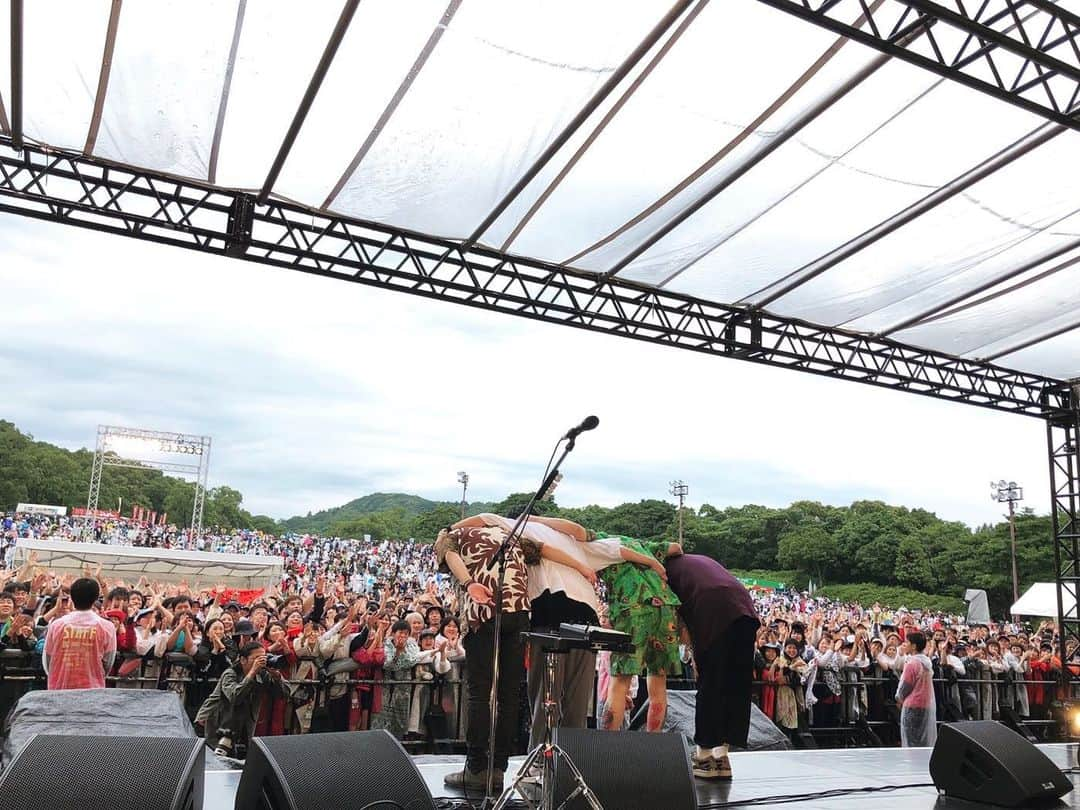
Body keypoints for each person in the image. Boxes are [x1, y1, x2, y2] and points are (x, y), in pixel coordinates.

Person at [435, 517, 591, 793]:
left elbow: (449, 554)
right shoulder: (509, 535)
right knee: (508, 694)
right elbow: (544, 550)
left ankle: (476, 769)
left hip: (482, 612)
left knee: (480, 694)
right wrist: (580, 566)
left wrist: (470, 583)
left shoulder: (452, 532)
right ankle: (498, 770)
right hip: (518, 612)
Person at [664, 552, 759, 780]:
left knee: (711, 685)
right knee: (736, 685)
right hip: (744, 607)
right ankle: (722, 756)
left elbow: (679, 620)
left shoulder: (663, 572)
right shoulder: (696, 561)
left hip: (712, 609)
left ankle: (705, 755)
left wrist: (696, 652)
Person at [196, 641, 291, 758]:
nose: (261, 661)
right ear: (243, 660)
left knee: (241, 759)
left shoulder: (263, 674)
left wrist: (277, 678)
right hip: (216, 722)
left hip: (243, 723)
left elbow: (283, 694)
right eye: (256, 658)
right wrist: (252, 673)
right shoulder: (230, 674)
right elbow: (235, 697)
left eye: (263, 657)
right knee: (217, 761)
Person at [42, 577, 116, 690]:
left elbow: (48, 659)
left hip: (59, 689)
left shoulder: (57, 625)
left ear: (71, 596)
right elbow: (108, 662)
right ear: (96, 597)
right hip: (92, 689)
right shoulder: (106, 627)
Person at [896, 631, 936, 747]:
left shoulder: (912, 663)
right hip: (925, 704)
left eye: (907, 642)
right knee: (922, 739)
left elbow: (906, 685)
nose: (905, 644)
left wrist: (899, 698)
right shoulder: (926, 663)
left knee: (911, 739)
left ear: (913, 646)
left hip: (912, 705)